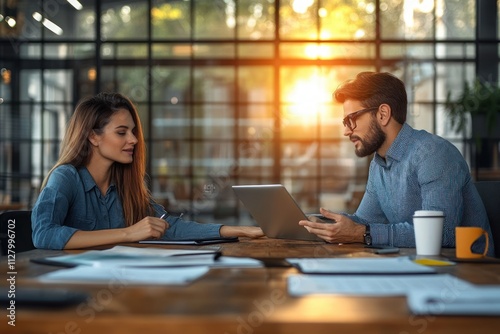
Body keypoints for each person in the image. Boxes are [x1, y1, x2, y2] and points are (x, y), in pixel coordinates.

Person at [32, 92, 264, 250]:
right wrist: (128, 233)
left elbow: (167, 226)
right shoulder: (66, 177)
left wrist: (236, 230)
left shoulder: (126, 184)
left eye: (133, 131)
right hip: (73, 290)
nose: (133, 139)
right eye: (122, 132)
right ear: (93, 136)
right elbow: (43, 234)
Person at [299, 71, 494, 256]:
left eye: (352, 119)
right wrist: (313, 222)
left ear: (383, 114)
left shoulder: (434, 154)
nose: (347, 131)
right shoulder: (378, 165)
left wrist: (361, 233)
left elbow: (441, 234)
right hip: (417, 265)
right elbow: (365, 222)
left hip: (467, 274)